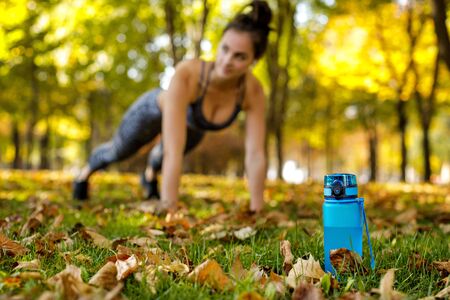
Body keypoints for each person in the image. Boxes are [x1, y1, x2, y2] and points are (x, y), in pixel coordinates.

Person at [73, 0, 271, 214]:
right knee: (119, 151)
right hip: (151, 112)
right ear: (219, 43)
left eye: (240, 56)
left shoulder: (252, 91)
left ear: (255, 59)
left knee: (160, 158)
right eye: (224, 49)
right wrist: (170, 209)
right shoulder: (189, 74)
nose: (226, 61)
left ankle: (149, 177)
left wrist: (257, 211)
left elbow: (255, 154)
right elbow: (172, 152)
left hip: (192, 128)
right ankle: (83, 175)